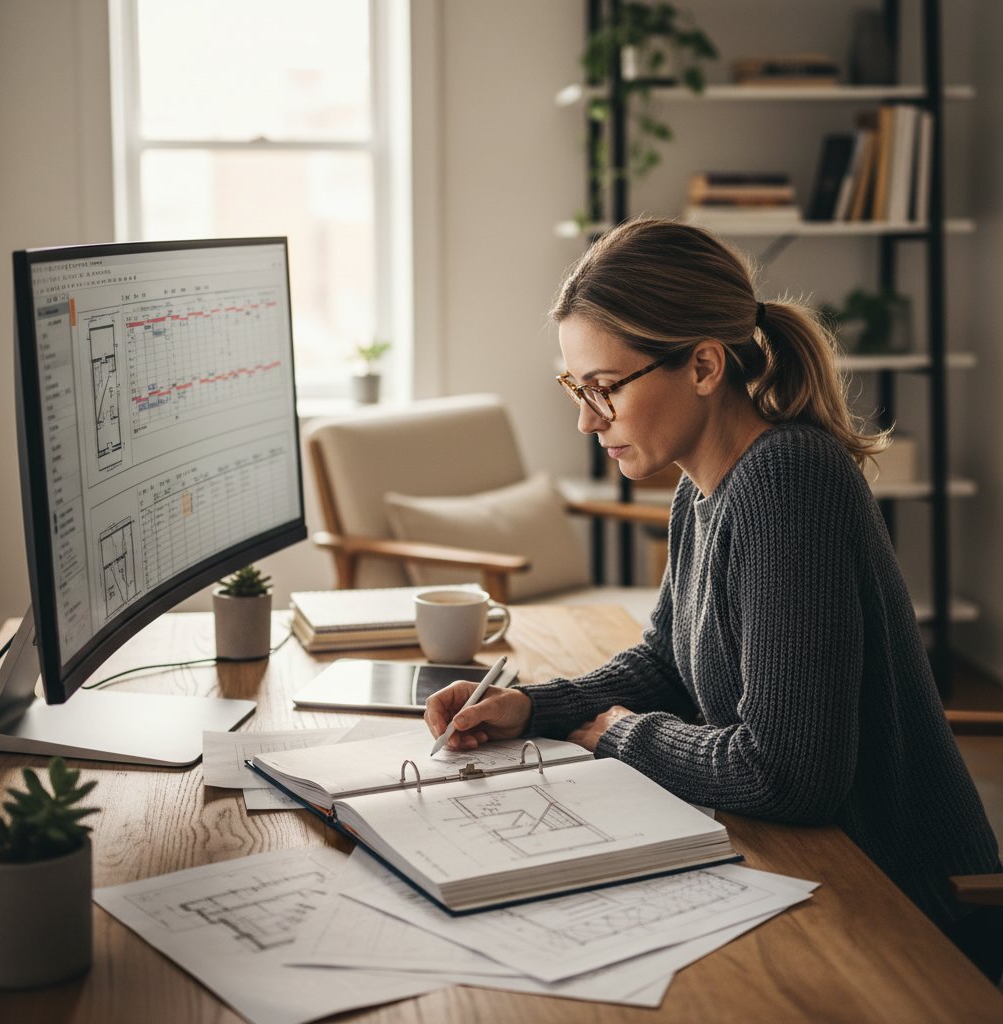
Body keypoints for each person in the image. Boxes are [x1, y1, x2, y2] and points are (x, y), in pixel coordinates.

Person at [425, 218, 1002, 980]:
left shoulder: (786, 481)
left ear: (702, 366)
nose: (586, 418)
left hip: (906, 911)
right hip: (815, 868)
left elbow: (787, 773)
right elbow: (669, 660)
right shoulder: (707, 486)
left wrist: (619, 735)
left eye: (604, 388)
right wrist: (536, 707)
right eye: (577, 387)